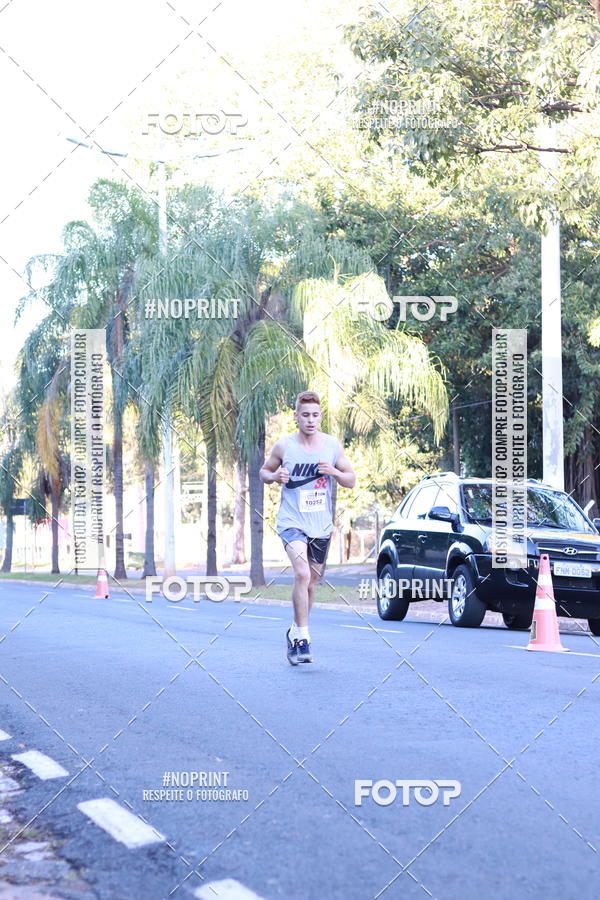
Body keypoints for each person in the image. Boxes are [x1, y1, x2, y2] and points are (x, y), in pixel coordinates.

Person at [260, 391, 356, 665]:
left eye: (315, 415)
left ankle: (294, 630)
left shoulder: (332, 446)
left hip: (321, 525)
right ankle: (303, 637)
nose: (310, 420)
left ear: (320, 416)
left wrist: (335, 473)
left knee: (311, 583)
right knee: (302, 573)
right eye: (305, 415)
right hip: (292, 522)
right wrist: (275, 476)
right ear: (296, 416)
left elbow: (351, 480)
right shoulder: (284, 447)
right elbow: (263, 472)